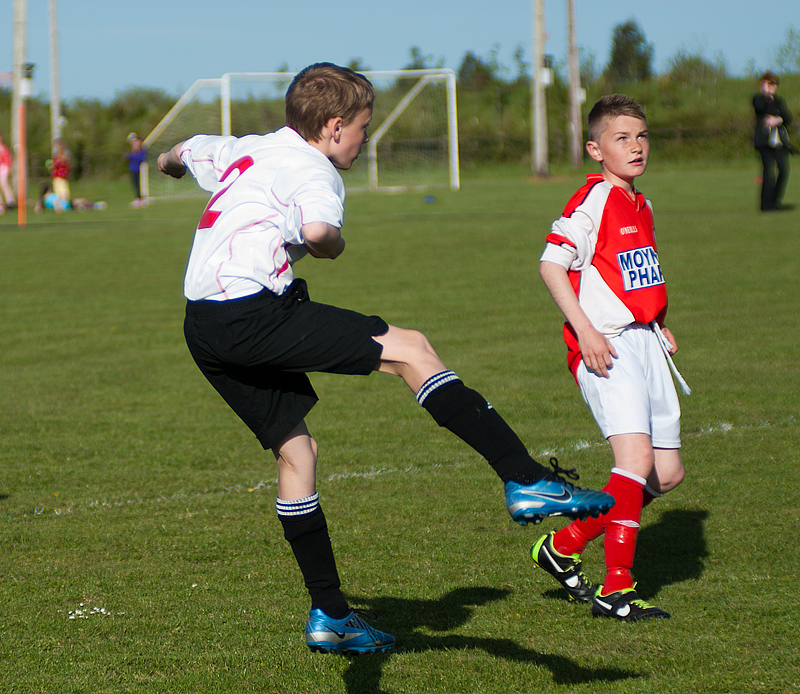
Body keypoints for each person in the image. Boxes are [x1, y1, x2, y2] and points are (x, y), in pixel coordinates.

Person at [157, 62, 614, 654]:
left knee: (298, 452)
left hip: (203, 324)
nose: (366, 139)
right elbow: (320, 232)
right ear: (333, 125)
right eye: (363, 128)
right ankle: (524, 479)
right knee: (411, 349)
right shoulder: (315, 171)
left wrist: (170, 168)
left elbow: (179, 151)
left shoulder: (246, 148)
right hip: (253, 313)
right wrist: (328, 245)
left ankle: (331, 616)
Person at [533, 94, 686, 622]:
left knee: (665, 474)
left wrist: (657, 323)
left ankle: (565, 543)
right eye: (622, 139)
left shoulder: (640, 203)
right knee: (636, 462)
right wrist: (587, 331)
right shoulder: (593, 198)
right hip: (606, 348)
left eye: (642, 136)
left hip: (644, 343)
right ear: (596, 148)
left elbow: (630, 275)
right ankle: (616, 589)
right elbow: (552, 265)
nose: (636, 147)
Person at [753, 71, 793, 211]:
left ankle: (775, 201)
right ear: (762, 85)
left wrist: (778, 120)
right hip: (764, 142)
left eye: (774, 84)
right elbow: (759, 108)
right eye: (769, 84)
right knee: (768, 172)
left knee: (783, 170)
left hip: (778, 142)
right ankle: (766, 205)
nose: (772, 87)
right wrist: (766, 95)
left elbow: (787, 117)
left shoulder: (779, 101)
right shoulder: (758, 99)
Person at [125, 133, 148, 207]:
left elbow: (141, 159)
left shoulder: (142, 151)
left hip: (139, 170)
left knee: (139, 185)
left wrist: (130, 156)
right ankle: (137, 198)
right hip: (132, 169)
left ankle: (141, 199)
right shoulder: (134, 151)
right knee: (134, 185)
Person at [50, 138, 72, 203]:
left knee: (63, 189)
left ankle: (65, 201)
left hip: (62, 175)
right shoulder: (57, 155)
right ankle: (60, 202)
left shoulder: (65, 155)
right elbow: (55, 164)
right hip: (57, 175)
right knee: (58, 189)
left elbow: (67, 162)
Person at [0, 131, 17, 213]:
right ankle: (1, 204)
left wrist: (9, 168)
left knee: (4, 184)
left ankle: (10, 201)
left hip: (3, 168)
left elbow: (8, 159)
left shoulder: (2, 148)